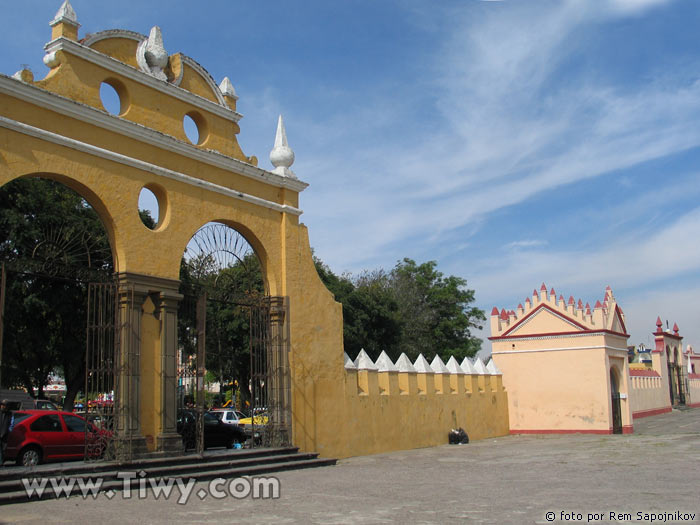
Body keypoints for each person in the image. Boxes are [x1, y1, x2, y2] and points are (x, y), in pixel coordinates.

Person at [0, 400, 15, 466]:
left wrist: (9, 430)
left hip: (5, 434)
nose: (2, 406)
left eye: (4, 405)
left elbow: (12, 423)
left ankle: (1, 462)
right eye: (2, 405)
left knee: (3, 449)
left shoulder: (10, 414)